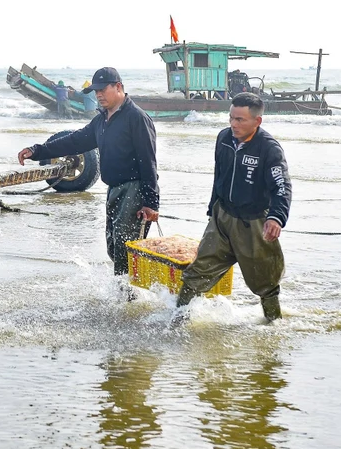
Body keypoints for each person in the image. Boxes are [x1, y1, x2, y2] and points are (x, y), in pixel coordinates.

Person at [17, 67, 159, 276]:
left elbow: (148, 162)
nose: (98, 94)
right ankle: (129, 295)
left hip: (134, 190)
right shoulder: (101, 120)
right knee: (113, 248)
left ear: (118, 87)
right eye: (95, 91)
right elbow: (74, 141)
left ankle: (127, 301)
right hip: (113, 190)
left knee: (126, 249)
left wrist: (151, 203)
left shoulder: (136, 118)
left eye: (103, 89)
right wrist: (38, 151)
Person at [176, 93, 292, 321]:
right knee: (196, 273)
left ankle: (274, 327)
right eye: (231, 118)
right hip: (222, 218)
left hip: (254, 224)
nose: (233, 124)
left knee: (266, 283)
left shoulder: (269, 150)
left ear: (257, 121)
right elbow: (218, 177)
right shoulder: (223, 139)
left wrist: (276, 217)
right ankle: (177, 320)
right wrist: (212, 211)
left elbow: (282, 186)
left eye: (240, 120)